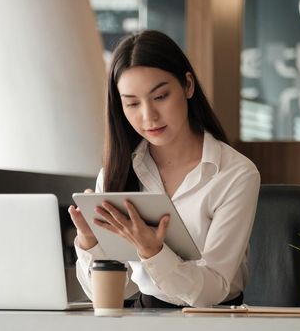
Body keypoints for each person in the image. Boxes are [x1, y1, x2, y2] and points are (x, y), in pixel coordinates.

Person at [68, 30, 260, 308]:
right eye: (132, 103)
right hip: (144, 315)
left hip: (214, 320)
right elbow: (112, 295)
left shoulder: (235, 174)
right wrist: (90, 242)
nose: (148, 116)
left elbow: (213, 290)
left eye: (160, 97)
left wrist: (153, 251)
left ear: (188, 86)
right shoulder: (117, 172)